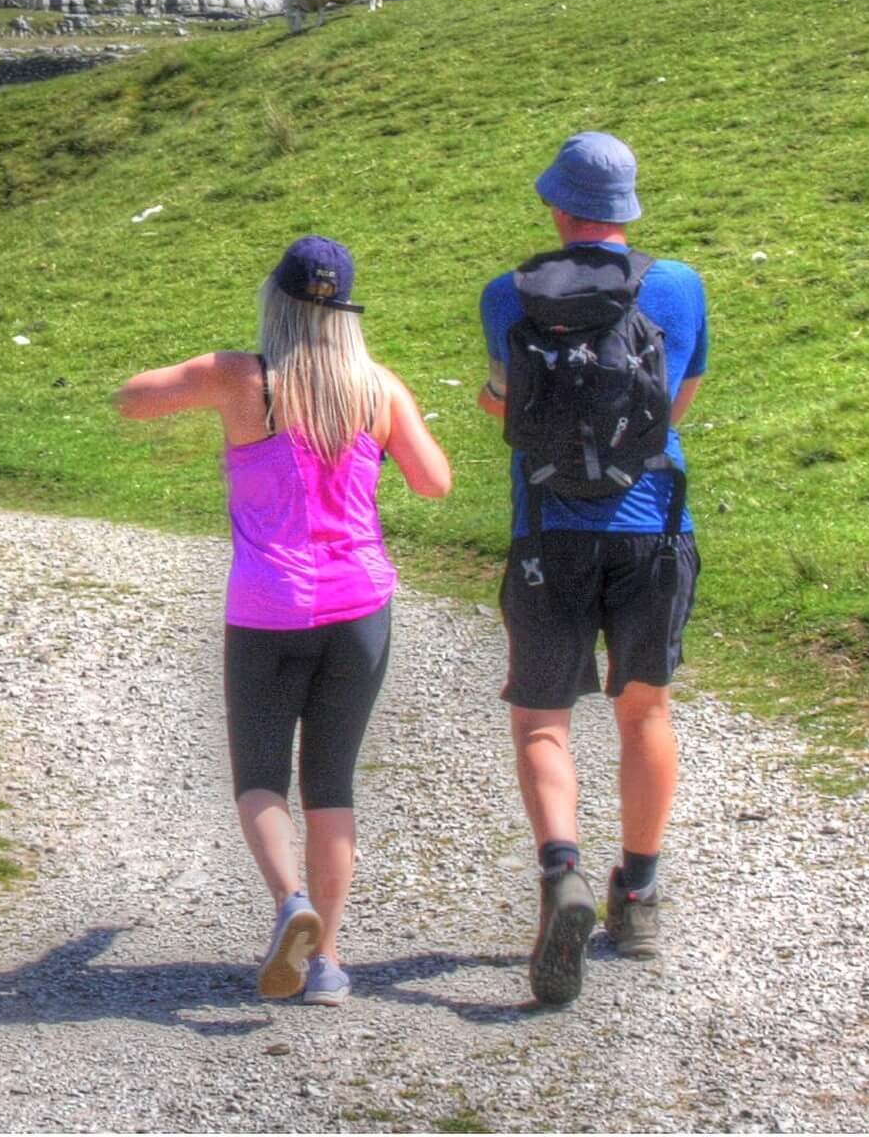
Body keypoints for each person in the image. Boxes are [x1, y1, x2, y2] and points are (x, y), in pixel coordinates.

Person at [117, 236, 451, 1005]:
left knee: (260, 775)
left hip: (269, 607)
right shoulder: (378, 388)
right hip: (360, 606)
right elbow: (435, 482)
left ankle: (289, 902)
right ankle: (326, 962)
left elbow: (133, 397)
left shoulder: (244, 380)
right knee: (332, 783)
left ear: (277, 302)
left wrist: (208, 377)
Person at [478, 131, 708, 1007]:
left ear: (556, 206)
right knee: (643, 708)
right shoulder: (680, 286)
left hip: (548, 533)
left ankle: (561, 876)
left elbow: (507, 402)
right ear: (627, 209)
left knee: (544, 722)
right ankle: (639, 895)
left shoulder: (508, 294)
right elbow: (679, 399)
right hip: (652, 529)